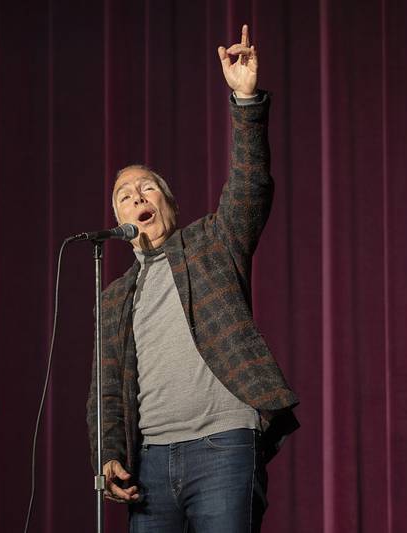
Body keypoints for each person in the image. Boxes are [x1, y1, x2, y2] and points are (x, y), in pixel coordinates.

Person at [86, 24, 299, 533]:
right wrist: (111, 456)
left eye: (147, 188)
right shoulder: (115, 297)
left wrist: (245, 102)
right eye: (124, 194)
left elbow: (250, 187)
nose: (137, 197)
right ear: (117, 219)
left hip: (223, 444)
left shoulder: (210, 244)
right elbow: (106, 392)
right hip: (151, 463)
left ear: (169, 205)